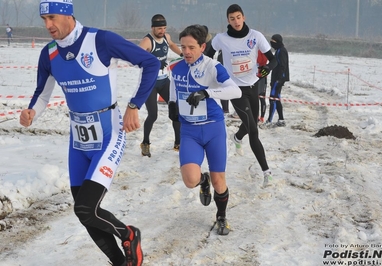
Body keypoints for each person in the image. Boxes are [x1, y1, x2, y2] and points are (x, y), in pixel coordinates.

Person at [19, 1, 159, 265]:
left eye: (52, 18)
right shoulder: (49, 53)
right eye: (43, 20)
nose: (48, 25)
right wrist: (31, 113)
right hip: (78, 140)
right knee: (85, 213)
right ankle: (121, 261)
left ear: (67, 14)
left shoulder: (100, 40)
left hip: (108, 133)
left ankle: (129, 234)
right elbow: (41, 94)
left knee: (86, 208)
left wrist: (134, 105)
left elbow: (150, 63)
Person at [168, 25, 241, 235]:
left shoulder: (212, 67)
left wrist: (206, 93)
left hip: (213, 129)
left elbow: (234, 91)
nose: (186, 52)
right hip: (190, 131)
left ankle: (221, 216)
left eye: (191, 47)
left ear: (202, 47)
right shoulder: (177, 67)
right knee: (190, 180)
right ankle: (203, 180)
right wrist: (173, 104)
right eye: (183, 47)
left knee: (220, 182)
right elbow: (174, 85)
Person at [205, 4, 277, 187]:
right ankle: (266, 172)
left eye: (238, 17)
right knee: (253, 130)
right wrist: (214, 74)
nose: (236, 21)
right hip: (235, 89)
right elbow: (207, 56)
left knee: (253, 122)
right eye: (232, 18)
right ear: (227, 20)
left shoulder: (256, 36)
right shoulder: (221, 39)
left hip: (253, 86)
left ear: (243, 17)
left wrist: (267, 69)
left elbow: (273, 59)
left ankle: (237, 137)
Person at [138, 14, 182, 157]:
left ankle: (178, 143)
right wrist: (154, 62)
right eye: (159, 28)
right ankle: (145, 143)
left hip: (164, 81)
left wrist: (183, 53)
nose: (162, 31)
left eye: (164, 28)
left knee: (176, 110)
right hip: (150, 83)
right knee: (153, 115)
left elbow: (172, 45)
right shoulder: (147, 41)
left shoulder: (166, 37)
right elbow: (137, 59)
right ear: (152, 28)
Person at [261, 34, 290, 128]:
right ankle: (281, 119)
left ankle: (269, 121)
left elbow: (283, 66)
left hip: (279, 79)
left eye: (273, 42)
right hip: (275, 79)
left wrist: (279, 80)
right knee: (277, 98)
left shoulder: (282, 51)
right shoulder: (278, 50)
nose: (271, 43)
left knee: (272, 99)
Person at [257, 50, 268, 123]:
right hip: (259, 74)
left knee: (261, 97)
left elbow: (261, 61)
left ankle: (262, 117)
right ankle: (258, 116)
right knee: (258, 98)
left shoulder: (261, 50)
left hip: (261, 75)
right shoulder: (262, 50)